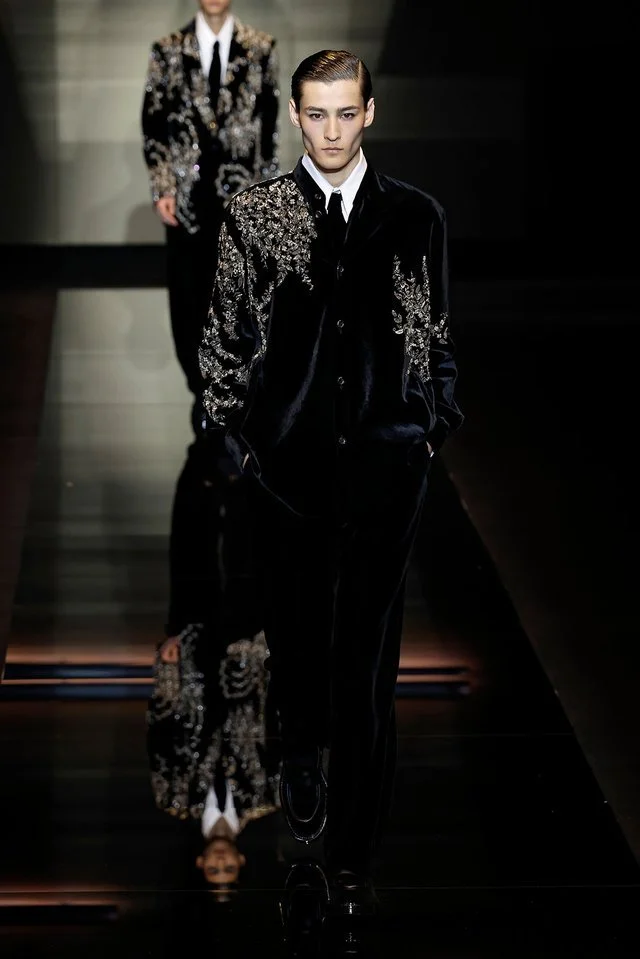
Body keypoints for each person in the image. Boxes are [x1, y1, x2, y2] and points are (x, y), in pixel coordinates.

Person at [198, 50, 464, 912]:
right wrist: (236, 440)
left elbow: (433, 333)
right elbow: (225, 335)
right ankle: (301, 753)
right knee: (300, 635)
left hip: (389, 464)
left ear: (370, 112)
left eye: (347, 113)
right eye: (317, 114)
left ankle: (355, 844)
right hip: (290, 471)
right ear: (295, 115)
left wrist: (433, 426)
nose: (332, 130)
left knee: (370, 655)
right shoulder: (258, 213)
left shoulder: (415, 217)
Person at [140, 0, 279, 661]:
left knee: (241, 299)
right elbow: (154, 121)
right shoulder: (167, 50)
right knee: (190, 300)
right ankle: (205, 390)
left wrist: (268, 193)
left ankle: (227, 389)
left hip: (243, 197)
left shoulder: (260, 47)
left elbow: (270, 122)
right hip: (188, 201)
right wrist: (161, 183)